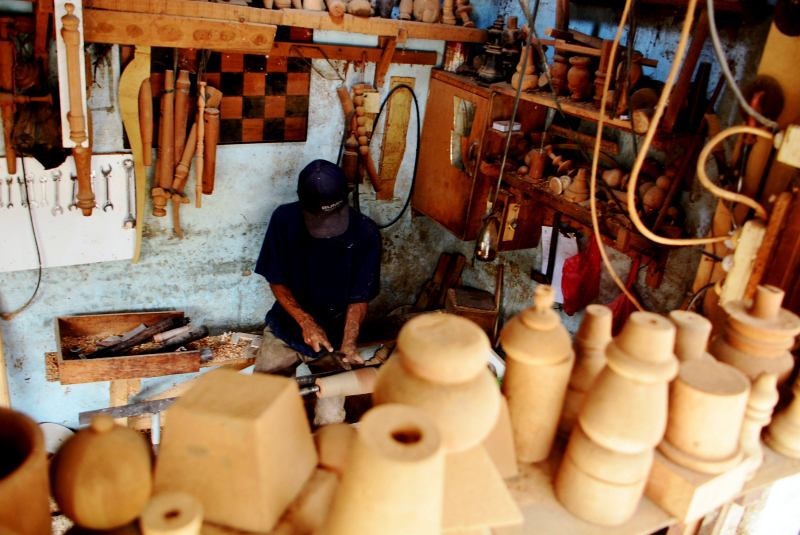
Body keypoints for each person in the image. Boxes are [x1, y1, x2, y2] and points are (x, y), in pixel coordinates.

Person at [254, 159, 381, 422]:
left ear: (345, 195)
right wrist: (306, 322)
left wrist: (349, 341)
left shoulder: (366, 231)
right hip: (287, 325)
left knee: (332, 417)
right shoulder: (284, 219)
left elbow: (360, 295)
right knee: (262, 404)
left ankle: (325, 452)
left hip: (334, 335)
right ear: (300, 198)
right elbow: (276, 279)